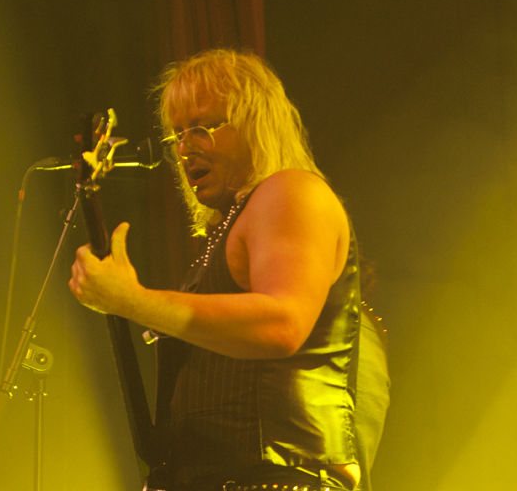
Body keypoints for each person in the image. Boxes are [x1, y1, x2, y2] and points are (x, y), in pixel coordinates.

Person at [69, 49, 388, 491]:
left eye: (202, 127)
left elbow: (282, 324)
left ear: (255, 124)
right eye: (178, 135)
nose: (185, 148)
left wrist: (135, 301)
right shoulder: (226, 232)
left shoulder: (290, 191)